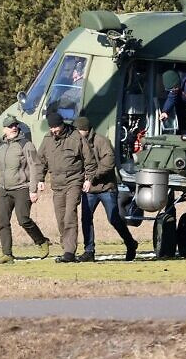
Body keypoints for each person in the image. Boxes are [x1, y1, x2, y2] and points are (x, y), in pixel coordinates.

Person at [74, 116, 139, 262]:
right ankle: (89, 251)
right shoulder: (77, 143)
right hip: (89, 189)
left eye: (78, 130)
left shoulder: (101, 141)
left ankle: (130, 243)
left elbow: (109, 163)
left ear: (85, 129)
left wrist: (91, 177)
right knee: (86, 218)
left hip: (106, 188)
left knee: (114, 218)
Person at [36, 110, 97, 262]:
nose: (53, 130)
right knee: (61, 218)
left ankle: (69, 252)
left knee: (70, 214)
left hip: (74, 181)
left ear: (62, 125)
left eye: (56, 127)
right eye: (51, 128)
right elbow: (41, 161)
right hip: (57, 184)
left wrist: (88, 179)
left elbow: (89, 160)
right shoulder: (48, 139)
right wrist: (40, 179)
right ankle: (66, 248)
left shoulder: (76, 137)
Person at [0, 115, 51, 263]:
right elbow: (1, 169)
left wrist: (33, 189)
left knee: (23, 219)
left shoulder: (26, 144)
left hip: (22, 188)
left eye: (15, 125)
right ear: (4, 129)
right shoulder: (2, 147)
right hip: (5, 190)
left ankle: (41, 241)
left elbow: (34, 166)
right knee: (3, 221)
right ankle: (7, 254)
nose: (13, 127)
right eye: (10, 126)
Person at [159, 69, 186, 135]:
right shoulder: (174, 88)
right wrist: (165, 111)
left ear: (177, 83)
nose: (173, 91)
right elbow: (171, 97)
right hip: (184, 108)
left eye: (174, 89)